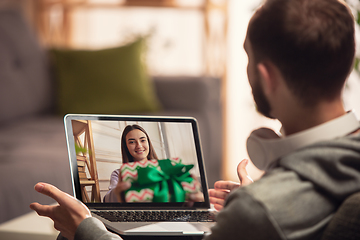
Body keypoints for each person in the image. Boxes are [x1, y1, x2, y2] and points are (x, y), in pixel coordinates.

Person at [30, 0, 360, 239]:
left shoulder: (259, 212)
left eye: (246, 57)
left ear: (266, 76)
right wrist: (263, 196)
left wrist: (86, 229)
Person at [103, 124, 159, 202]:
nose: (139, 146)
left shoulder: (162, 169)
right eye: (132, 142)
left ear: (148, 143)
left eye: (142, 140)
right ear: (126, 147)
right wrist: (119, 190)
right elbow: (107, 200)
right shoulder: (118, 174)